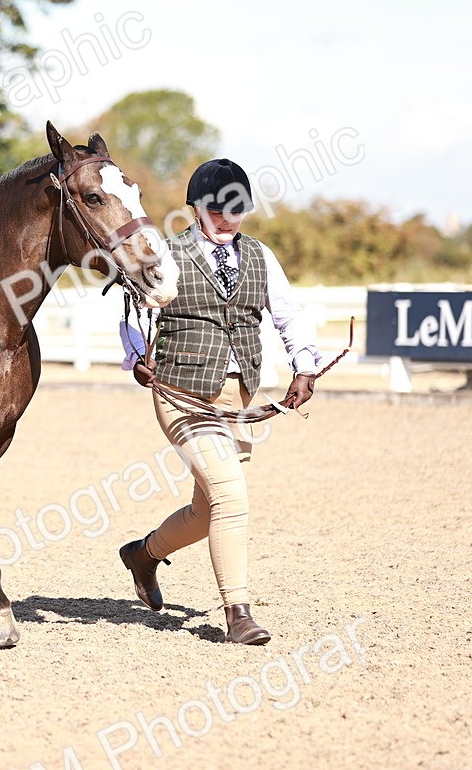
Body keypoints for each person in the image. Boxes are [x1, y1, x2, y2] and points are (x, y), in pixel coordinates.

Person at [117, 158, 321, 645]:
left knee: (208, 511)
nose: (229, 218)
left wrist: (305, 365)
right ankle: (239, 614)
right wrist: (135, 355)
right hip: (183, 393)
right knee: (233, 496)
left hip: (241, 397)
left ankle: (143, 554)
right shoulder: (165, 254)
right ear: (195, 208)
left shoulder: (260, 256)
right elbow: (130, 310)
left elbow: (288, 316)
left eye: (238, 209)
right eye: (218, 209)